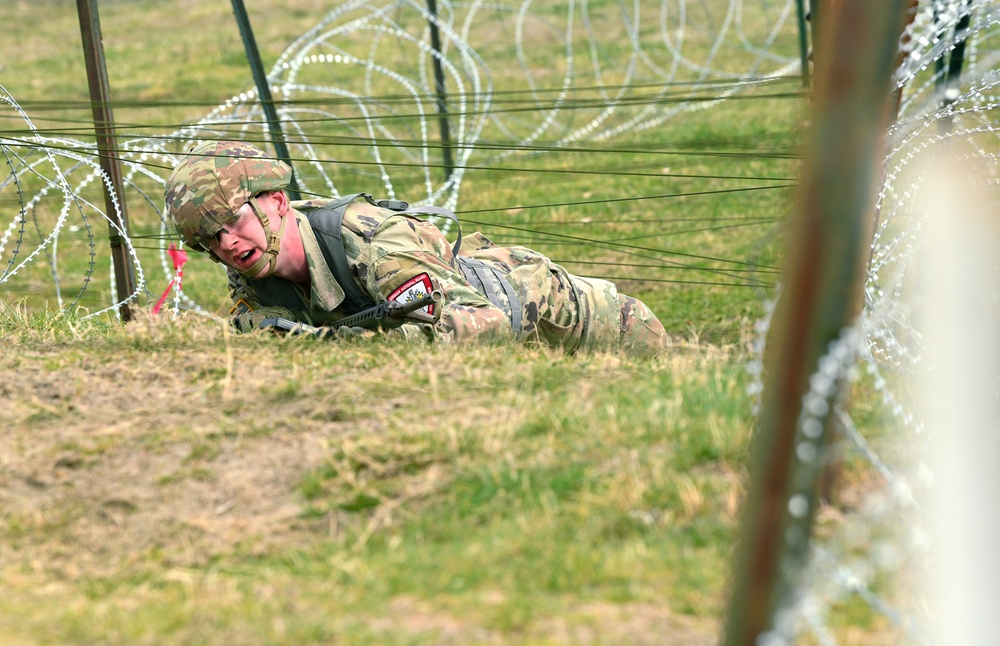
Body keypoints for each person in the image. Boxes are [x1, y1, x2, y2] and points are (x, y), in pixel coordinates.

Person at [164, 140, 668, 356]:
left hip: (587, 325)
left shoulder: (369, 242)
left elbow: (484, 324)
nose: (227, 243)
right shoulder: (252, 278)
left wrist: (366, 350)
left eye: (232, 221)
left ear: (275, 202)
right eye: (208, 239)